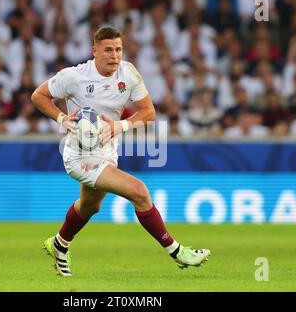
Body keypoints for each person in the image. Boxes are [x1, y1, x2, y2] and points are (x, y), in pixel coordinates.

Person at [31, 26, 211, 277]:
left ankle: (59, 244)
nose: (114, 55)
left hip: (107, 151)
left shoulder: (128, 73)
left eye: (118, 49)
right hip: (80, 156)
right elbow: (38, 96)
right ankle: (177, 251)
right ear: (95, 51)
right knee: (139, 192)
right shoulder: (74, 76)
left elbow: (149, 112)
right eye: (108, 50)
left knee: (90, 206)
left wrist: (120, 125)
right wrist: (62, 119)